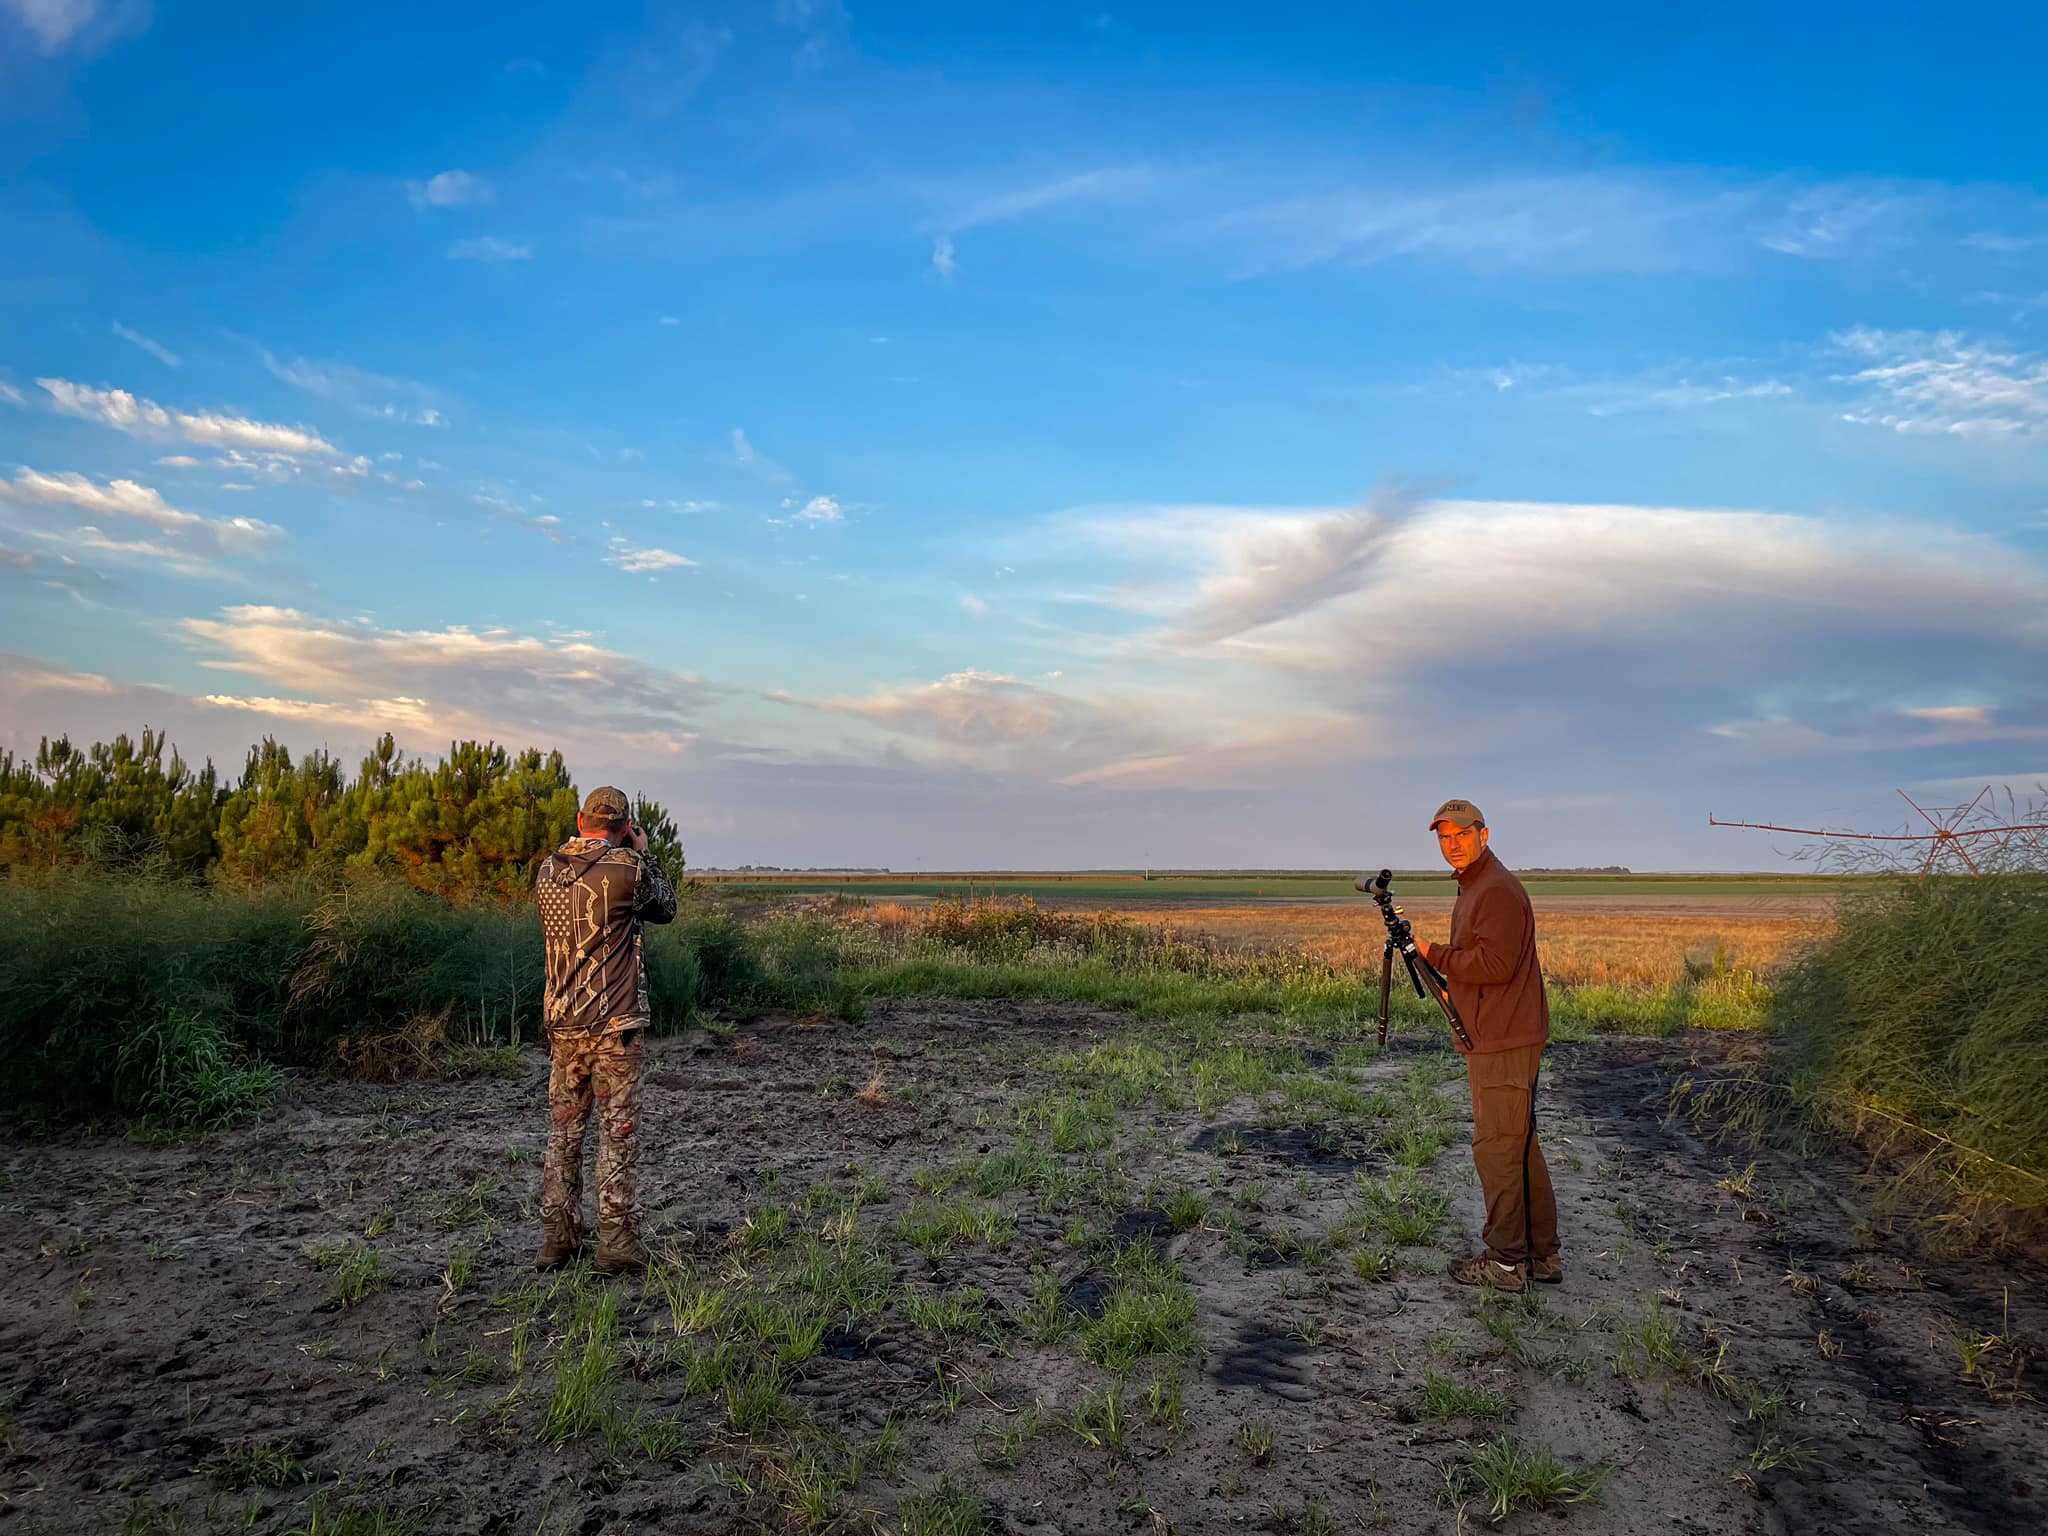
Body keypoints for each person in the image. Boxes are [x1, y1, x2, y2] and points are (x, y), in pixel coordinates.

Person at [1415, 799, 1561, 1292]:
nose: (1452, 844)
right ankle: (1542, 1254)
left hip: (1502, 1038)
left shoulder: (1495, 889)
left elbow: (1494, 966)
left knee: (1497, 1147)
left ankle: (1505, 1262)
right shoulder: (1478, 883)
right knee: (1518, 1143)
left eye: (1461, 834)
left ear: (1484, 833)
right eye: (1444, 837)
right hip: (1502, 1032)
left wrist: (1432, 952)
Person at [532, 785, 678, 1274]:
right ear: (623, 826)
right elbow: (666, 908)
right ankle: (615, 1241)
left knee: (564, 1134)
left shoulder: (546, 871)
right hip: (615, 1025)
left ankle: (558, 1238)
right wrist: (644, 851)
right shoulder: (628, 869)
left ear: (580, 819)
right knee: (618, 1134)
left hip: (563, 1025)